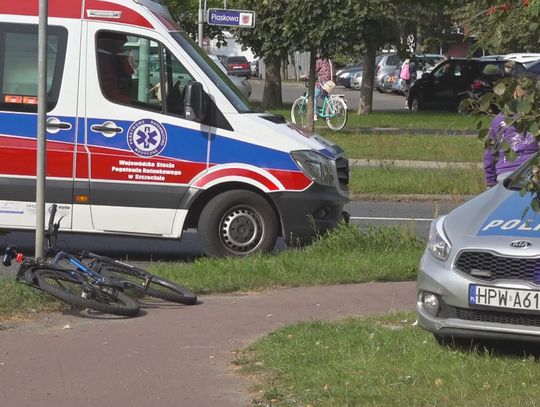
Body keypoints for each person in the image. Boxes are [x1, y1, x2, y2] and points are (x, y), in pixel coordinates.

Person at [483, 85, 538, 187]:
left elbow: (489, 153)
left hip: (505, 173)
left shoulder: (499, 119)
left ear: (515, 94)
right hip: (532, 174)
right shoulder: (536, 118)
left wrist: (490, 181)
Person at [97, 33, 134, 103]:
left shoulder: (118, 56)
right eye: (120, 44)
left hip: (120, 100)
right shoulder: (102, 58)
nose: (121, 46)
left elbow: (129, 75)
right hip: (114, 101)